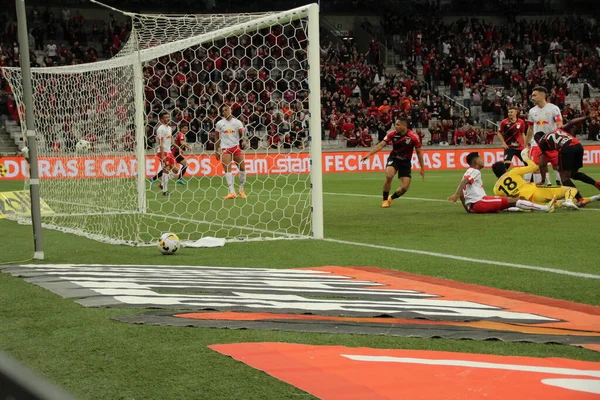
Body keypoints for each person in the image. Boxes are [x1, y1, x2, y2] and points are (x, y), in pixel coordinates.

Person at [448, 152, 556, 214]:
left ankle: (523, 208)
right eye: (480, 159)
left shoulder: (468, 172)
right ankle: (545, 208)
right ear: (476, 162)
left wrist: (468, 210)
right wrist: (456, 194)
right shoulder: (474, 171)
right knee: (514, 201)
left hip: (476, 205)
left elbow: (463, 190)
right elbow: (464, 182)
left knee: (505, 205)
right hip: (480, 202)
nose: (483, 160)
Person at [361, 118, 425, 208]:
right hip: (394, 159)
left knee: (404, 188)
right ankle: (384, 200)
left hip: (405, 163)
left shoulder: (414, 137)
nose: (395, 126)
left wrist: (422, 168)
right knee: (389, 175)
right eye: (395, 124)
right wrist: (369, 154)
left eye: (398, 125)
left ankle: (391, 197)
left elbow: (419, 153)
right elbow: (381, 145)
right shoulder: (392, 134)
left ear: (404, 126)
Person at [491, 149, 582, 210]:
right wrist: (526, 158)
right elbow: (534, 167)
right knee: (571, 189)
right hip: (535, 191)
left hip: (527, 203)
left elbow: (505, 202)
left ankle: (592, 198)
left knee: (554, 203)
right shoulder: (512, 172)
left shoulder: (496, 188)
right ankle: (569, 201)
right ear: (505, 169)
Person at [534, 127, 600, 204]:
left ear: (537, 140)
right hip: (578, 146)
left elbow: (542, 164)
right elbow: (570, 124)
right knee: (573, 174)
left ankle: (580, 199)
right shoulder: (557, 131)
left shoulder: (541, 142)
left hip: (566, 149)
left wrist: (542, 179)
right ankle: (596, 184)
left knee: (564, 177)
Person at [524, 86, 562, 186]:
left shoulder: (554, 108)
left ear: (542, 95)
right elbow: (530, 128)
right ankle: (543, 184)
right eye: (532, 95)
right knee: (538, 164)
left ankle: (559, 182)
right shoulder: (532, 111)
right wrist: (526, 144)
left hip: (551, 141)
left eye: (534, 95)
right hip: (537, 142)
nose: (532, 97)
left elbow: (559, 124)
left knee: (556, 165)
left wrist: (558, 138)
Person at [215, 105, 247, 199]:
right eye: (223, 110)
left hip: (236, 147)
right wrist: (216, 151)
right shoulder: (220, 123)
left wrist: (244, 140)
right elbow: (217, 137)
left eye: (226, 110)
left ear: (230, 110)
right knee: (227, 170)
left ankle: (241, 190)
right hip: (225, 148)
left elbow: (242, 133)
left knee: (242, 168)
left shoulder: (237, 122)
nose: (225, 112)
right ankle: (232, 192)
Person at [149, 111, 178, 196]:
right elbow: (160, 143)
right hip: (163, 152)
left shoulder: (169, 128)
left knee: (175, 170)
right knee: (166, 170)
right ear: (161, 119)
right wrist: (162, 155)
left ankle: (162, 184)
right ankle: (165, 191)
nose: (168, 118)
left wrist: (178, 147)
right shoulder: (160, 129)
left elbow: (170, 140)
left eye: (168, 117)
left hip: (169, 151)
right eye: (166, 117)